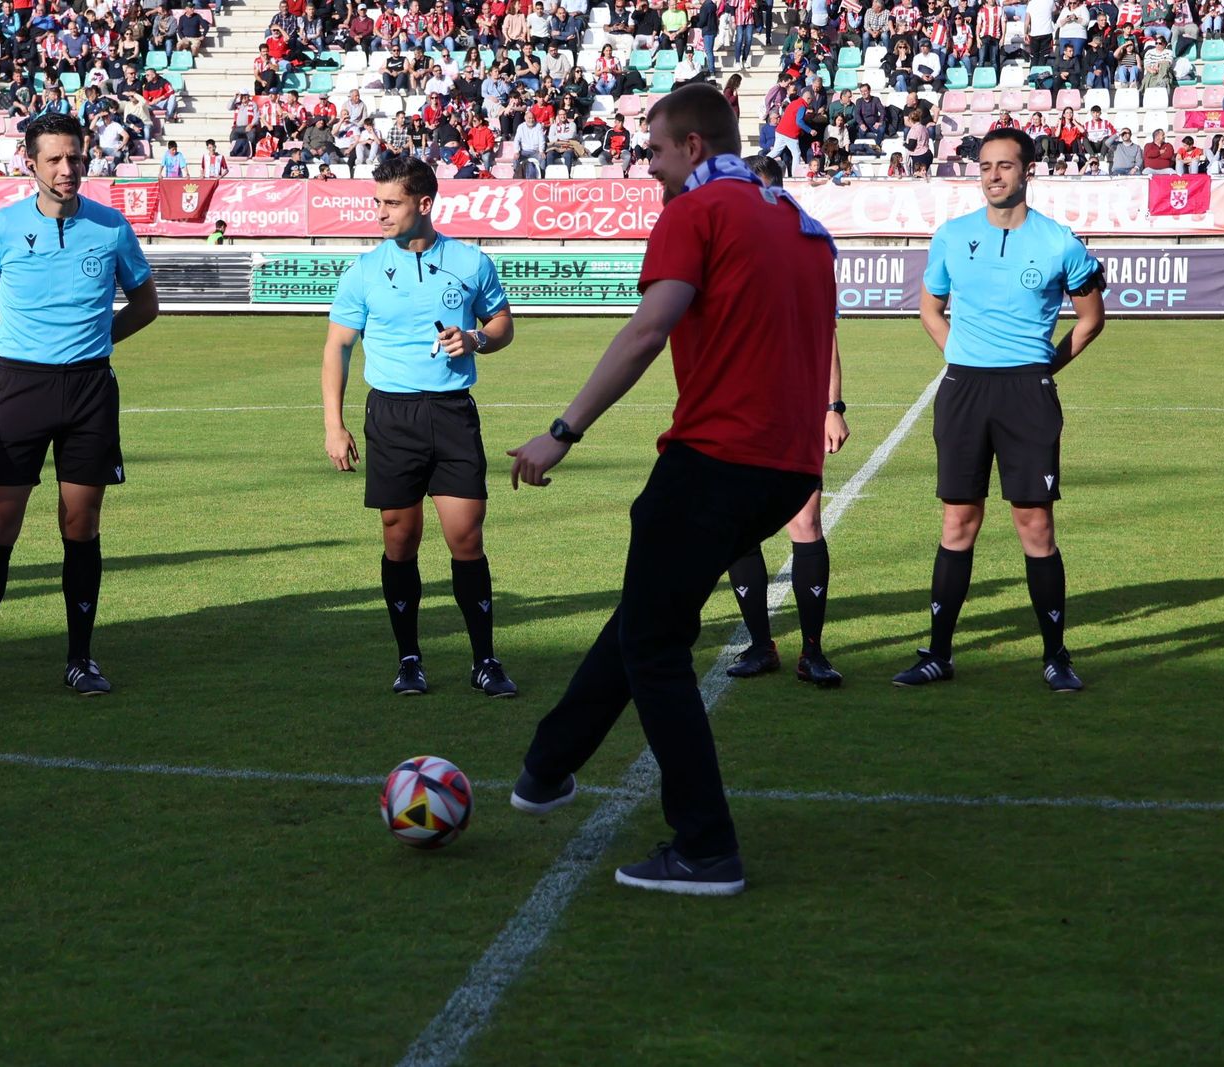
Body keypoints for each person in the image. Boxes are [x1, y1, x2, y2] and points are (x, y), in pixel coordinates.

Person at [505, 84, 837, 896]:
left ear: (693, 146)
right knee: (649, 611)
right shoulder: (801, 222)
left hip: (714, 458)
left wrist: (564, 428)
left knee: (654, 643)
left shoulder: (696, 212)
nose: (646, 165)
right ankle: (545, 767)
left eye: (653, 150)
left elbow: (650, 328)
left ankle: (705, 844)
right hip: (784, 466)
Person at [0, 115, 159, 705]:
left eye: (75, 158)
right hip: (20, 390)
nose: (67, 169)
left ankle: (80, 659)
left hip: (89, 392)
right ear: (31, 163)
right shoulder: (3, 227)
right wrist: (2, 352)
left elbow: (146, 304)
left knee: (81, 524)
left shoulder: (110, 227)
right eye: (54, 159)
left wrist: (94, 343)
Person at [893, 127, 1105, 693]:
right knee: (957, 521)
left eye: (1005, 166)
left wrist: (1040, 370)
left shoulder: (1060, 242)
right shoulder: (951, 236)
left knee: (1034, 524)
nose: (992, 175)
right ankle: (938, 653)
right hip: (964, 390)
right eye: (985, 165)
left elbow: (1090, 319)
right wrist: (964, 357)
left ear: (1027, 171)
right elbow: (930, 310)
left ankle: (1055, 655)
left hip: (1026, 394)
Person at [321, 156, 519, 699]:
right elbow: (338, 346)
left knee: (466, 537)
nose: (380, 212)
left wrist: (476, 339)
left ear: (424, 204)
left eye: (392, 203)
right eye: (378, 201)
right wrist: (334, 426)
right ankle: (409, 659)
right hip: (391, 415)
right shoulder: (363, 270)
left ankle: (485, 661)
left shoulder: (470, 262)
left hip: (452, 413)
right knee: (399, 538)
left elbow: (501, 324)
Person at [723, 153, 849, 687]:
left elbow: (827, 337)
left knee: (805, 524)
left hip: (796, 410)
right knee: (738, 529)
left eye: (768, 192)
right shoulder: (728, 250)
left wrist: (832, 407)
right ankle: (759, 644)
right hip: (736, 412)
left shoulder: (807, 248)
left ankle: (813, 652)